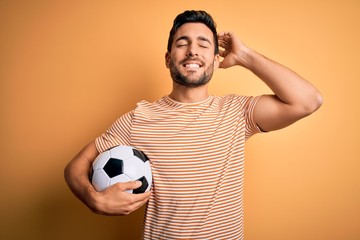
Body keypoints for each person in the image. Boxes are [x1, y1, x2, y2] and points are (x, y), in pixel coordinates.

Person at [64, 10, 323, 240]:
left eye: (204, 44)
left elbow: (308, 101)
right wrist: (94, 198)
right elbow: (76, 166)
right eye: (182, 43)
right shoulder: (138, 119)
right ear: (168, 58)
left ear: (217, 59)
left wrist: (244, 55)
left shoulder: (238, 113)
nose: (192, 51)